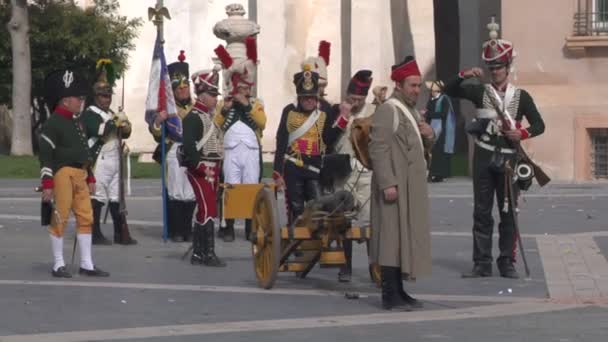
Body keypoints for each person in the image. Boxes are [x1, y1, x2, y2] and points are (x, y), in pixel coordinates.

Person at [443, 19, 545, 279]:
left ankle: (506, 262)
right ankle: (482, 262)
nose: (495, 71)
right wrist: (465, 74)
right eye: (492, 67)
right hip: (484, 156)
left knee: (508, 212)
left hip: (509, 159)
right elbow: (449, 88)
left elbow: (539, 125)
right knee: (481, 211)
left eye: (499, 66)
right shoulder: (479, 92)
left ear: (508, 67)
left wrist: (521, 133)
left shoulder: (521, 97)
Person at [369, 56, 434, 310]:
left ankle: (400, 290)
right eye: (412, 85)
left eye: (419, 86)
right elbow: (378, 148)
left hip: (409, 187)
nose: (417, 90)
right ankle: (389, 294)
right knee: (390, 240)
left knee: (401, 240)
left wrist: (430, 135)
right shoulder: (389, 110)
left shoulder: (411, 111)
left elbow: (415, 146)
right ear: (399, 85)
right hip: (395, 186)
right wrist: (387, 183)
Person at [39, 68, 110, 278]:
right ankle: (58, 264)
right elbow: (45, 155)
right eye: (77, 98)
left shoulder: (76, 121)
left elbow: (84, 151)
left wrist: (90, 176)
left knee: (86, 217)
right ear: (64, 100)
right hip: (62, 173)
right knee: (60, 217)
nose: (81, 101)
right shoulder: (53, 122)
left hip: (81, 173)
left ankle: (87, 264)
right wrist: (47, 183)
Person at [273, 68, 351, 223]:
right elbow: (281, 140)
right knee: (296, 208)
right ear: (299, 97)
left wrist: (343, 119)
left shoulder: (324, 112)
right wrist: (277, 172)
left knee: (318, 207)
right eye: (305, 97)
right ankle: (296, 243)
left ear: (317, 97)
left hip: (314, 167)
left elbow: (328, 139)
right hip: (293, 167)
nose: (309, 100)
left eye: (312, 97)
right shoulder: (289, 111)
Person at [213, 37, 267, 241]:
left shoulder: (256, 104)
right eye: (242, 88)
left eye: (247, 88)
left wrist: (245, 104)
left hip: (251, 151)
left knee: (251, 186)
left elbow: (262, 123)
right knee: (230, 187)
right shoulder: (223, 104)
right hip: (230, 151)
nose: (245, 91)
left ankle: (250, 227)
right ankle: (227, 227)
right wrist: (225, 110)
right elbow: (216, 125)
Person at [82, 59, 137, 246]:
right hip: (100, 160)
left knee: (116, 196)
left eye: (108, 96)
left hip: (116, 158)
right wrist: (115, 122)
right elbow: (98, 130)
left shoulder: (112, 112)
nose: (107, 99)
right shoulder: (89, 113)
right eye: (104, 97)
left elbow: (126, 133)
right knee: (97, 196)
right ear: (96, 97)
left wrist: (125, 124)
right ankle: (94, 232)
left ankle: (120, 233)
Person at [331, 70, 375, 282]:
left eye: (359, 99)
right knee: (343, 220)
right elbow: (328, 139)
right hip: (343, 173)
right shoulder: (336, 110)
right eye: (352, 98)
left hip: (366, 172)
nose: (355, 103)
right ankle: (345, 266)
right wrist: (343, 116)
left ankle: (374, 266)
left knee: (369, 220)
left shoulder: (374, 111)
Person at [149, 51, 196, 242]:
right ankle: (176, 230)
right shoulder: (168, 110)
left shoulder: (196, 107)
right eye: (179, 88)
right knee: (176, 192)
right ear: (173, 91)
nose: (183, 91)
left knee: (190, 192)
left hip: (192, 152)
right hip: (174, 151)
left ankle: (187, 228)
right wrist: (159, 122)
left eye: (186, 87)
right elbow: (157, 135)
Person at [181, 67, 226, 267]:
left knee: (207, 210)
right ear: (201, 95)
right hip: (200, 170)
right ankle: (207, 253)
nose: (215, 99)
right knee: (207, 208)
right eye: (212, 95)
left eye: (216, 95)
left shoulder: (208, 117)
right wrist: (200, 166)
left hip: (212, 169)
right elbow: (190, 146)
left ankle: (199, 253)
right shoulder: (193, 117)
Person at [424, 80, 456, 182]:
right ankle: (432, 173)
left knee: (439, 151)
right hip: (431, 128)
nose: (431, 92)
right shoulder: (431, 100)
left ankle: (439, 174)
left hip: (441, 129)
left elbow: (443, 114)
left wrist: (428, 114)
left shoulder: (444, 100)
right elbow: (428, 111)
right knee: (432, 151)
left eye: (432, 90)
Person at [301, 40, 333, 114]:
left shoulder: (327, 107)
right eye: (318, 85)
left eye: (323, 85)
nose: (321, 89)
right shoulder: (294, 108)